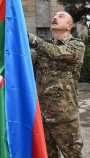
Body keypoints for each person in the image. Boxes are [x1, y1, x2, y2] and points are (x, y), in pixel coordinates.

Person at [28, 11, 85, 158]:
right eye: (54, 16)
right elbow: (24, 59)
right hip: (43, 116)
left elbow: (57, 53)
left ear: (69, 26)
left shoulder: (76, 46)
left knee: (73, 155)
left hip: (64, 116)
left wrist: (33, 39)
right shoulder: (41, 49)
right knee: (47, 155)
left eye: (61, 16)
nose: (54, 18)